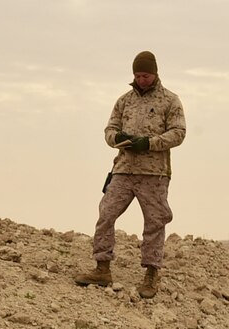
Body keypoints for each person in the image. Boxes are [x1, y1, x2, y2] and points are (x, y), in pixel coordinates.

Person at [75, 51, 186, 299]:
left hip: (154, 173)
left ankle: (151, 274)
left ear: (155, 73)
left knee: (154, 223)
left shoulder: (170, 101)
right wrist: (117, 139)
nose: (141, 79)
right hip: (123, 170)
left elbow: (178, 133)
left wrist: (148, 143)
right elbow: (109, 129)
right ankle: (102, 268)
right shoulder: (124, 101)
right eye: (137, 75)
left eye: (145, 75)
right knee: (106, 213)